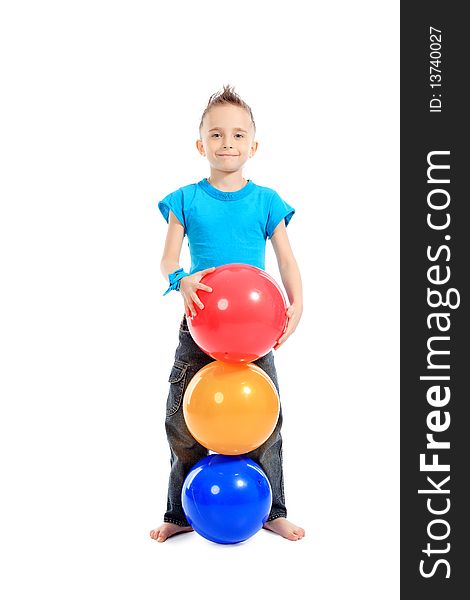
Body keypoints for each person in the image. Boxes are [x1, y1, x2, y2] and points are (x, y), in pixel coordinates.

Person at [149, 85, 305, 543]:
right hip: (201, 325)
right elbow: (167, 260)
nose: (227, 144)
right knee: (181, 420)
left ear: (253, 146)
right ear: (201, 145)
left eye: (238, 135)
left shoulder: (267, 202)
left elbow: (287, 260)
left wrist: (298, 304)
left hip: (256, 332)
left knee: (267, 421)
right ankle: (178, 513)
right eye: (216, 135)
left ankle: (273, 509)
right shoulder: (185, 199)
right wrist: (182, 281)